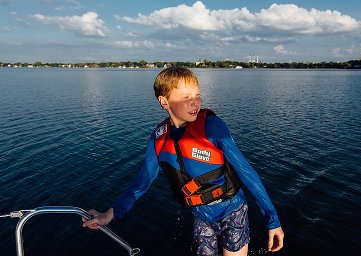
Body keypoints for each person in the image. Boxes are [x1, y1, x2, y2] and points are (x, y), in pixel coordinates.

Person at [82, 67, 284, 255]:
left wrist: (272, 220)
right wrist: (109, 215)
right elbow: (141, 182)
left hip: (233, 210)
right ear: (164, 101)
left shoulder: (213, 127)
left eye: (197, 95)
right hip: (202, 215)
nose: (195, 102)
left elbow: (246, 172)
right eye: (186, 97)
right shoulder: (159, 139)